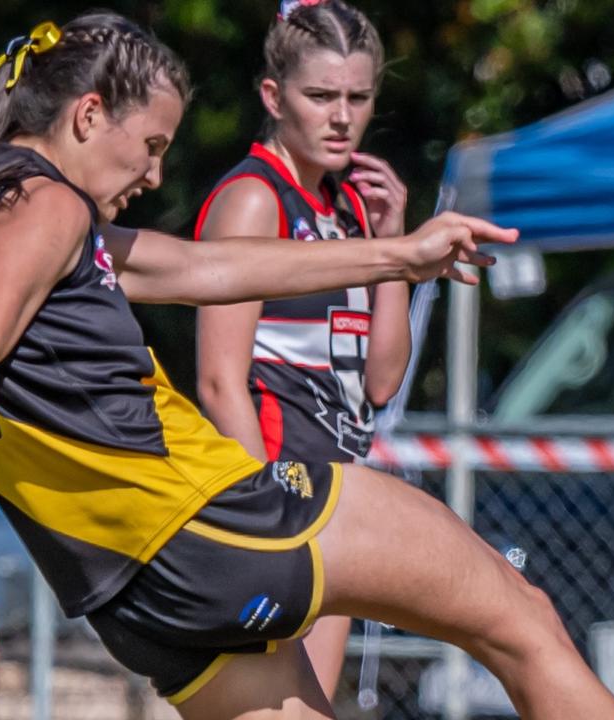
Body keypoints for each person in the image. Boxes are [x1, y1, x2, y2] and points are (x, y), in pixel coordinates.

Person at [0, 13, 614, 720]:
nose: (156, 176)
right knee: (521, 623)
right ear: (88, 116)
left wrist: (402, 253)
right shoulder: (47, 205)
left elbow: (204, 268)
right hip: (212, 525)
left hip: (138, 600)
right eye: (152, 146)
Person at [194, 0, 407, 698]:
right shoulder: (255, 200)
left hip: (340, 493)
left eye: (358, 97)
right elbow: (220, 381)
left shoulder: (348, 209)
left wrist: (392, 245)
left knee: (310, 706)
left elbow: (381, 382)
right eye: (320, 96)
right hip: (282, 504)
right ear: (272, 96)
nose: (341, 116)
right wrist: (266, 521)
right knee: (268, 707)